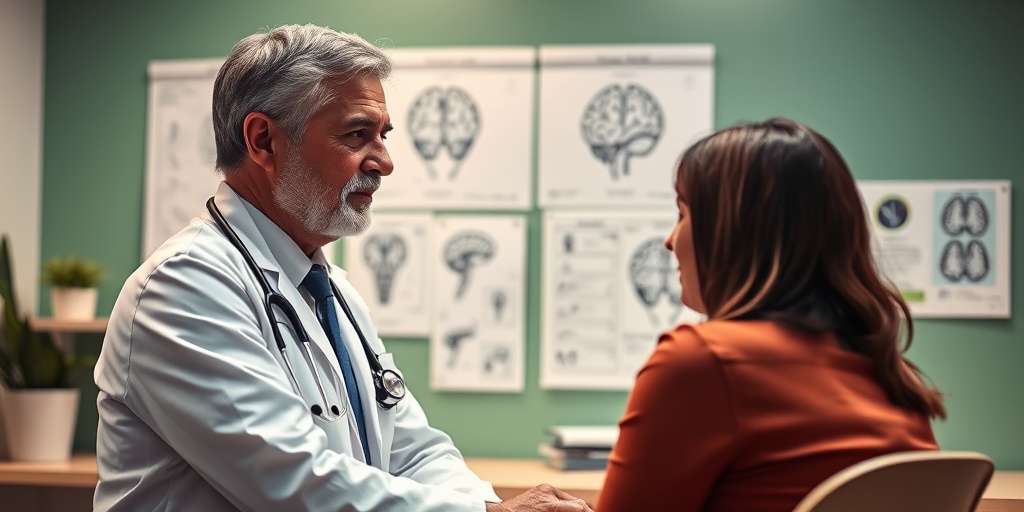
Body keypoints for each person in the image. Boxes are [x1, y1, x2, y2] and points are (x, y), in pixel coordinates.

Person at [93, 24, 591, 512]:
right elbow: (292, 481)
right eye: (357, 135)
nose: (384, 162)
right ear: (264, 140)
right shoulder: (184, 286)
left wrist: (486, 504)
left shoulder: (332, 291)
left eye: (383, 135)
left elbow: (412, 450)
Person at [597, 118, 945, 512]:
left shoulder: (702, 361)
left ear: (731, 229)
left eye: (682, 214)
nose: (669, 240)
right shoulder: (893, 380)